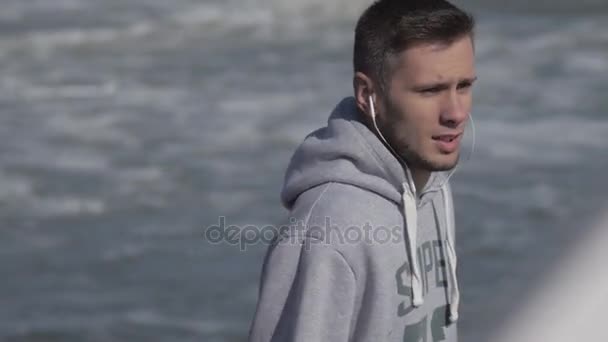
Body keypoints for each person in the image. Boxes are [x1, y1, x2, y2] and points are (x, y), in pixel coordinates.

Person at [249, 0, 476, 341]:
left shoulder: (432, 184)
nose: (456, 113)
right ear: (367, 93)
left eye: (464, 86)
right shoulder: (329, 229)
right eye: (431, 90)